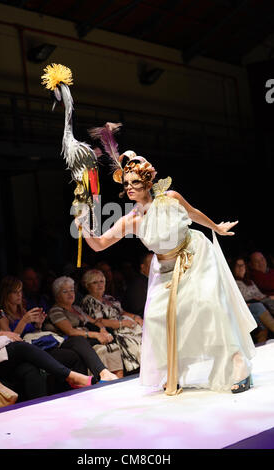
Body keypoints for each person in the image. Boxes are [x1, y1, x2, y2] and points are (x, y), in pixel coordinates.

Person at [77, 123, 257, 395]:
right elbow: (100, 244)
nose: (130, 188)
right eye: (127, 185)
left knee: (208, 306)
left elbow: (193, 213)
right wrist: (85, 228)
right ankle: (175, 370)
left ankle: (238, 365)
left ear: (147, 182)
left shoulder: (170, 198)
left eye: (135, 182)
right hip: (164, 268)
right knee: (157, 316)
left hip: (194, 255)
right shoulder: (132, 220)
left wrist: (216, 228)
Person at [0, 278, 96, 401]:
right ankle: (71, 376)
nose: (19, 295)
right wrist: (16, 324)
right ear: (6, 294)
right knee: (21, 347)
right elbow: (10, 336)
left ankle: (54, 405)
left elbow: (9, 337)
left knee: (32, 369)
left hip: (17, 350)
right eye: (14, 292)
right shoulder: (5, 313)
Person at [46, 276, 121, 380]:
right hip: (68, 342)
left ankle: (118, 379)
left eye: (72, 290)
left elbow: (95, 321)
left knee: (111, 344)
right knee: (83, 341)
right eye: (65, 291)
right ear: (57, 295)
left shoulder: (76, 308)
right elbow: (70, 331)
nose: (70, 294)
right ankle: (102, 375)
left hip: (85, 340)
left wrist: (102, 330)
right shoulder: (56, 310)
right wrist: (96, 334)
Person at [81, 269, 143, 375]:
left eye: (101, 281)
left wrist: (135, 317)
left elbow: (122, 312)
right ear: (87, 285)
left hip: (127, 325)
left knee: (148, 332)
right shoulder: (89, 301)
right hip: (115, 331)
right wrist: (122, 324)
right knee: (138, 342)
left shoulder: (109, 298)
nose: (99, 285)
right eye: (95, 282)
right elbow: (99, 321)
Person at [231, 257, 274, 342]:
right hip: (247, 306)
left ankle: (262, 342)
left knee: (263, 306)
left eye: (242, 265)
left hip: (262, 302)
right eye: (237, 266)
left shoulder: (250, 281)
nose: (240, 268)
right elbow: (235, 300)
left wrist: (269, 297)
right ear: (233, 268)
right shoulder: (233, 283)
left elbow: (260, 295)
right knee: (258, 306)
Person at [122, 251, 153, 318]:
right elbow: (138, 310)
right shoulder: (138, 284)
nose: (156, 267)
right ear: (143, 267)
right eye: (152, 264)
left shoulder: (150, 281)